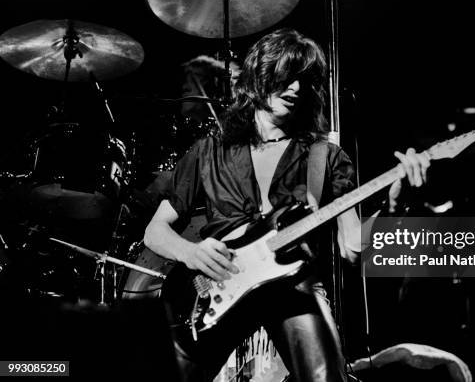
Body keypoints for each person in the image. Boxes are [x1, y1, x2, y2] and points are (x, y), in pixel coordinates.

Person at [144, 28, 430, 382]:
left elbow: (353, 247)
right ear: (259, 75)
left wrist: (396, 207)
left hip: (291, 285)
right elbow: (155, 231)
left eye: (304, 82)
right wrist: (191, 253)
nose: (295, 88)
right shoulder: (209, 151)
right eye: (287, 77)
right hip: (215, 287)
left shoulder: (323, 156)